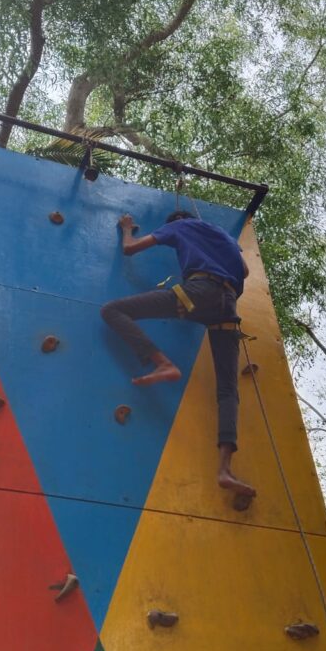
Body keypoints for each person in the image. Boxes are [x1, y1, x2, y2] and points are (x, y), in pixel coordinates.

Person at [101, 210, 257, 510]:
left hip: (198, 293)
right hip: (227, 306)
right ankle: (225, 469)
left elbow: (130, 249)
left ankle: (162, 362)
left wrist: (125, 229)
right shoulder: (224, 236)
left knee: (112, 310)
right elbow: (245, 272)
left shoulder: (180, 226)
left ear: (174, 222)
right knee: (227, 390)